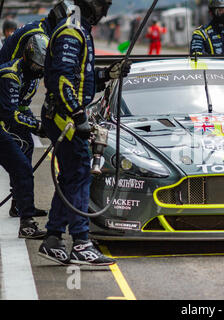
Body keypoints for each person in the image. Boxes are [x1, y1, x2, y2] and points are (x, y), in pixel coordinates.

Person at [38, 0, 131, 266]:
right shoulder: (72, 31)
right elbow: (63, 80)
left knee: (70, 176)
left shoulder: (81, 30)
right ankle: (81, 243)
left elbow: (82, 77)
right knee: (79, 172)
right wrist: (78, 116)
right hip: (65, 117)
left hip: (67, 114)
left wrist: (109, 74)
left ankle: (53, 238)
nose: (106, 11)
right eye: (104, 4)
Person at [0, 0, 75, 218]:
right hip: (9, 97)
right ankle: (23, 208)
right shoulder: (34, 35)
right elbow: (19, 67)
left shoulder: (43, 31)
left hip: (18, 97)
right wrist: (32, 123)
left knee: (26, 151)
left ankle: (20, 203)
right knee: (20, 160)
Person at [0, 34, 49, 239]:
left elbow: (22, 106)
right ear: (28, 57)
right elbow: (9, 113)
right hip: (3, 121)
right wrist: (36, 125)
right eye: (37, 66)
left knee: (27, 147)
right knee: (21, 167)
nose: (40, 71)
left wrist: (41, 123)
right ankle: (27, 224)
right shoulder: (10, 75)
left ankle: (19, 205)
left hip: (7, 119)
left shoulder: (33, 75)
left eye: (42, 67)